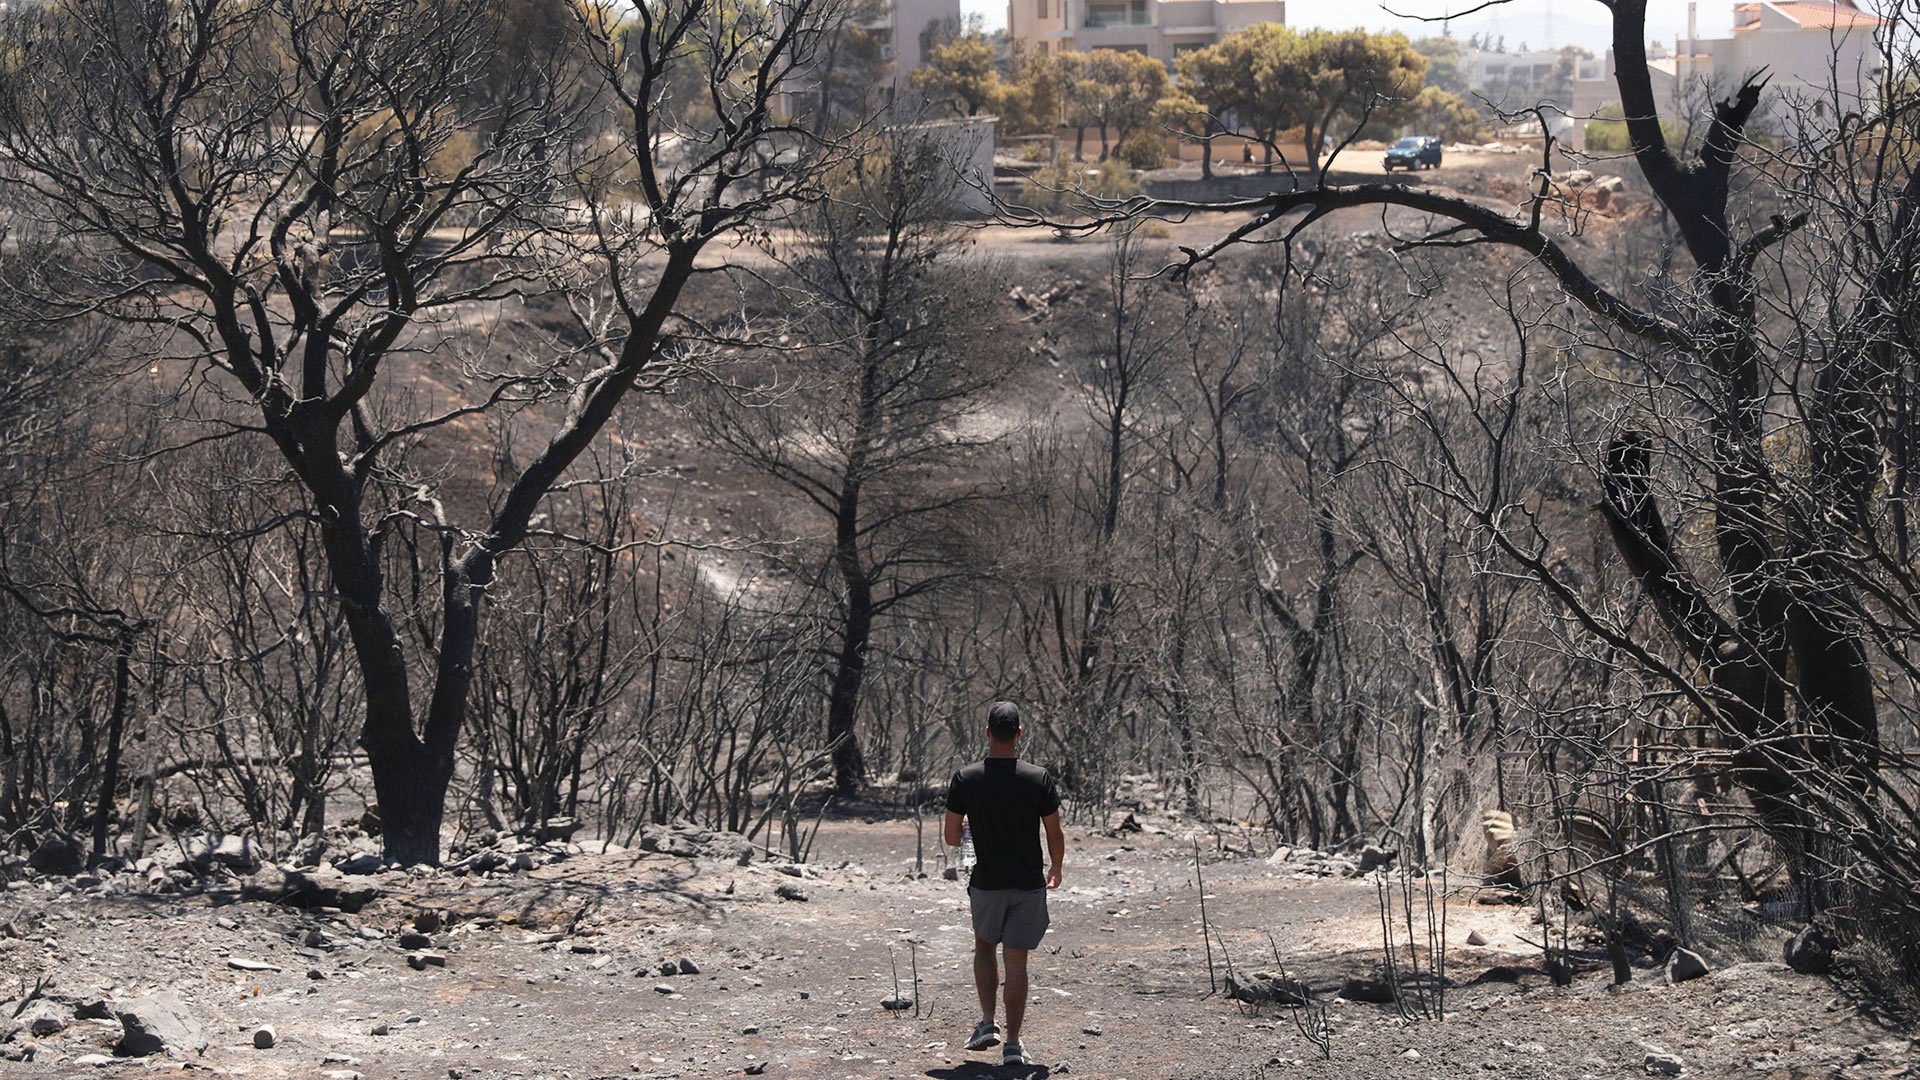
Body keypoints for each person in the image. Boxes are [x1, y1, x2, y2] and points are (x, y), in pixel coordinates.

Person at [943, 701, 1065, 1068]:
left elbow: (952, 837)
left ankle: (986, 1024)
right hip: (1028, 881)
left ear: (987, 733)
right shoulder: (1037, 777)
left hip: (986, 880)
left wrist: (970, 833)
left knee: (984, 946)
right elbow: (1054, 831)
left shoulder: (966, 778)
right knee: (1017, 961)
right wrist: (1056, 867)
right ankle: (1012, 1043)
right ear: (1019, 735)